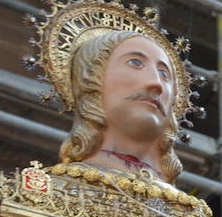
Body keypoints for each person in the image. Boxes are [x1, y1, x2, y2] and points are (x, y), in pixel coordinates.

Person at [60, 28, 183, 183]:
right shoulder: (45, 193)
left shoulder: (191, 207)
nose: (156, 83)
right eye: (135, 63)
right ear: (91, 77)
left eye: (164, 73)